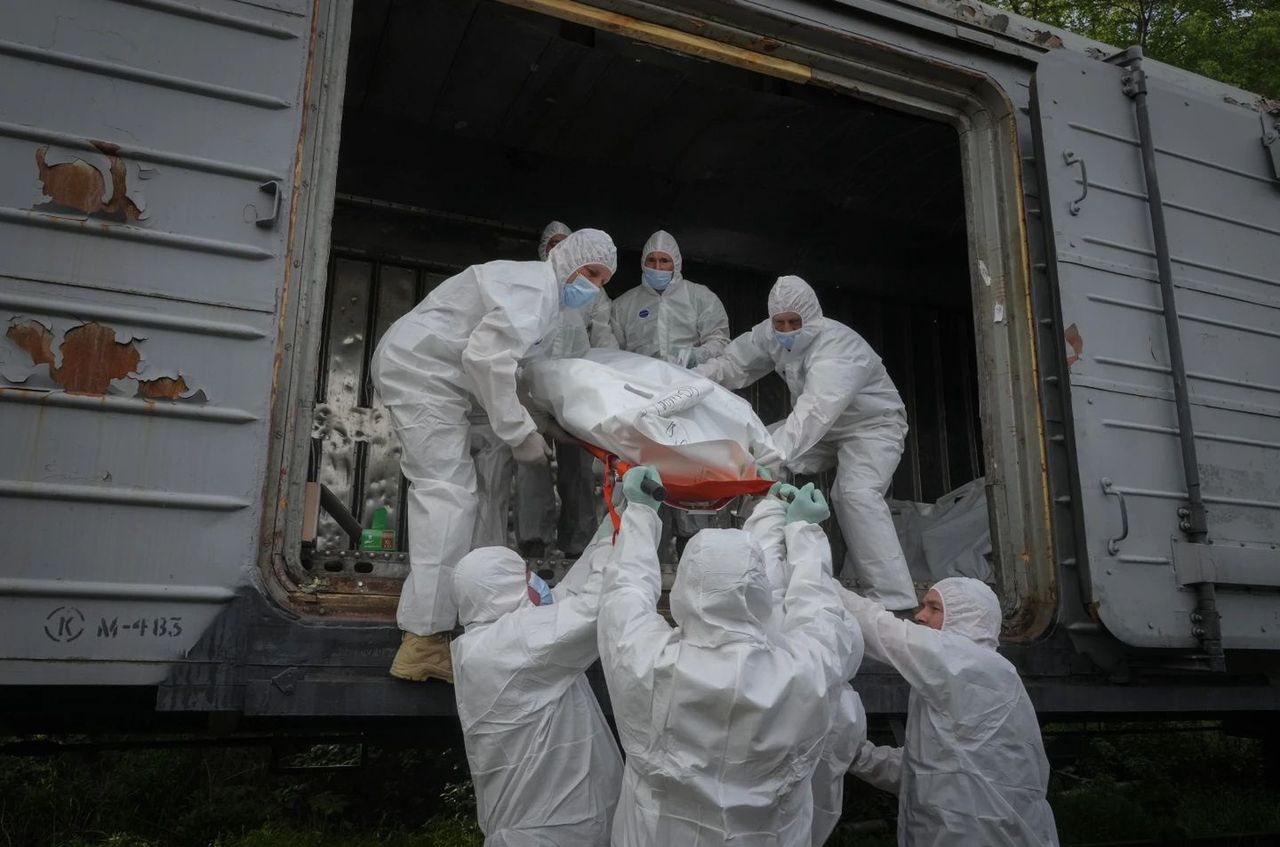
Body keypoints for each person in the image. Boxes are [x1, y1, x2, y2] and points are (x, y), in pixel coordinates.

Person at [371, 229, 618, 683]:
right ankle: (423, 640)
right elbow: (487, 359)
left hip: (444, 376)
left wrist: (542, 422)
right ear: (567, 261)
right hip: (424, 372)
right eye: (592, 273)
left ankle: (459, 615)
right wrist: (519, 431)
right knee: (446, 494)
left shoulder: (542, 303)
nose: (596, 287)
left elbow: (511, 372)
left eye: (604, 280)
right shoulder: (534, 289)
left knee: (470, 496)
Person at [597, 466, 859, 847]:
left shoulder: (646, 661)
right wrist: (802, 530)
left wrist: (640, 513)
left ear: (684, 587)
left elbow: (625, 591)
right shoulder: (807, 670)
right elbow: (816, 606)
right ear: (759, 592)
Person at [695, 274, 917, 611]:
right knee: (755, 451)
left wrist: (770, 456)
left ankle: (895, 601)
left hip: (872, 427)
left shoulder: (839, 348)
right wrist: (690, 379)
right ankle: (760, 571)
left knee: (854, 494)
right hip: (823, 429)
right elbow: (733, 363)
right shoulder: (771, 334)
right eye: (779, 322)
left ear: (812, 317)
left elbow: (814, 414)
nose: (785, 330)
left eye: (793, 322)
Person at [842, 578, 1060, 846]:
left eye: (934, 608)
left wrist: (815, 579)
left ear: (966, 616)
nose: (920, 616)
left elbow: (879, 629)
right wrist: (857, 756)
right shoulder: (963, 676)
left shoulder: (973, 665)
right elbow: (924, 771)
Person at [451, 522, 623, 846]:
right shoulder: (511, 644)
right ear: (503, 589)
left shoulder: (494, 638)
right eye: (525, 574)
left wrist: (614, 524)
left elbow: (573, 593)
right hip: (547, 836)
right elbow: (595, 609)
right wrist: (642, 516)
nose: (536, 581)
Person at [741, 477, 868, 847]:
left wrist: (770, 510)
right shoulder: (843, 708)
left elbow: (756, 574)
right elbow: (814, 601)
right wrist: (802, 529)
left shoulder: (760, 652)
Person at [611, 230, 731, 553]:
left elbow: (720, 342)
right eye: (652, 261)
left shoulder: (699, 298)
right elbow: (611, 354)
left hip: (689, 404)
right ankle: (649, 550)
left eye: (665, 261)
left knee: (690, 475)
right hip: (643, 407)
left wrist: (695, 357)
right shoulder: (625, 305)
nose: (658, 267)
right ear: (642, 263)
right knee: (649, 477)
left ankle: (695, 551)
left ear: (676, 264)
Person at [514, 222, 617, 559]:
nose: (558, 248)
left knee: (579, 469)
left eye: (565, 243)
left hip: (574, 390)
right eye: (553, 243)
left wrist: (608, 377)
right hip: (530, 389)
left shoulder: (592, 290)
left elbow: (603, 337)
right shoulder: (531, 286)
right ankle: (534, 540)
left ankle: (577, 542)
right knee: (532, 464)